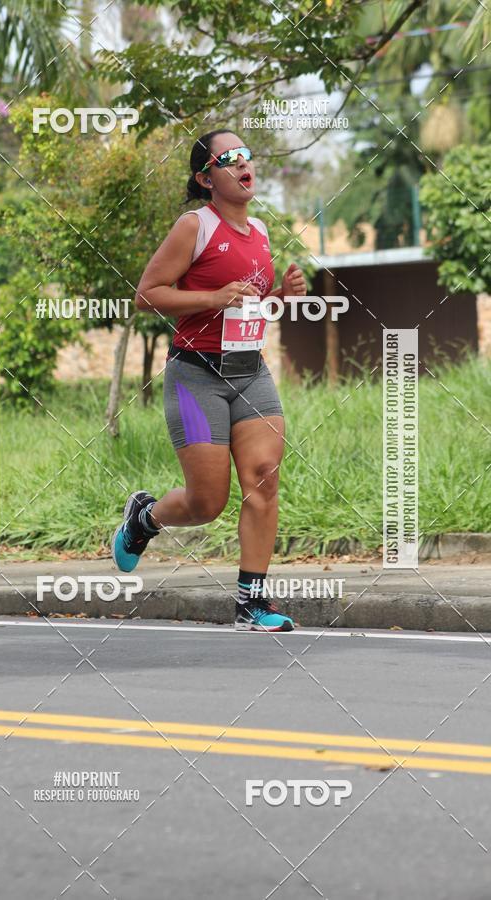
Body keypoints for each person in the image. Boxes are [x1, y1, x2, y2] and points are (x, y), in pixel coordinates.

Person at [111, 129, 306, 632]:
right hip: (195, 377)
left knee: (264, 477)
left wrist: (281, 295)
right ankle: (145, 518)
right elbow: (147, 294)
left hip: (250, 373)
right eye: (230, 158)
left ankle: (251, 605)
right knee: (207, 502)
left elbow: (252, 307)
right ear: (206, 177)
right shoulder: (194, 225)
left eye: (247, 156)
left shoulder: (261, 231)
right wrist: (211, 297)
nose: (245, 164)